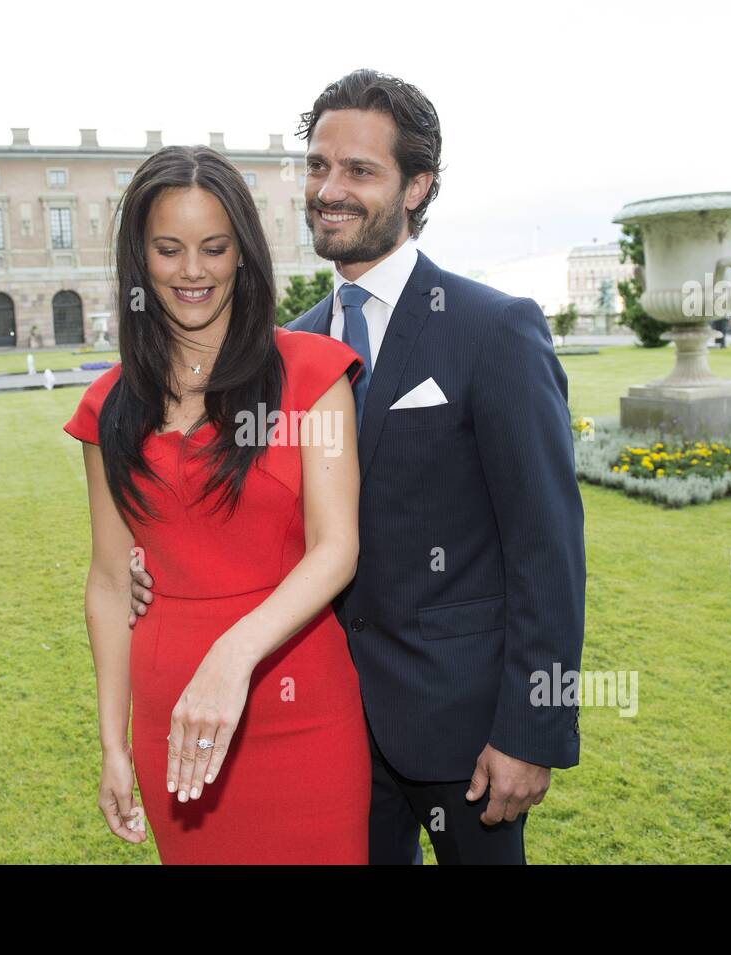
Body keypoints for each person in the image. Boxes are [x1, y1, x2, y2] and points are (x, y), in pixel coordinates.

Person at [130, 69, 587, 865]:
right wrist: (144, 564)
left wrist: (531, 729)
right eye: (317, 166)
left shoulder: (493, 330)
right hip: (321, 723)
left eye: (359, 171)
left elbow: (548, 547)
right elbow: (243, 510)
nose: (328, 189)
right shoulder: (280, 354)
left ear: (417, 187)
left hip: (465, 730)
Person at [63, 143, 371, 864]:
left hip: (302, 711)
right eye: (168, 250)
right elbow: (110, 581)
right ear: (140, 260)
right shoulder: (107, 406)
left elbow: (337, 547)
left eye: (213, 247)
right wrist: (112, 741)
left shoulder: (311, 373)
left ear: (243, 254)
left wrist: (232, 653)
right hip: (174, 723)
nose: (192, 271)